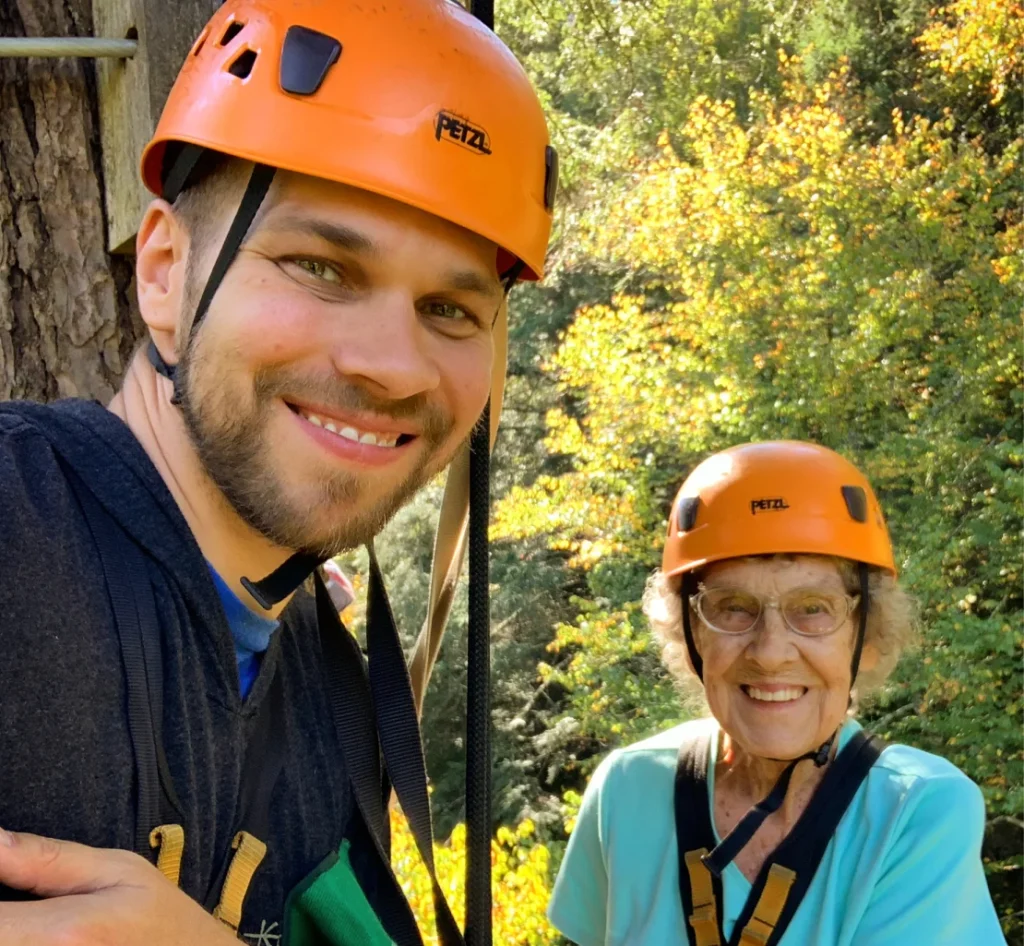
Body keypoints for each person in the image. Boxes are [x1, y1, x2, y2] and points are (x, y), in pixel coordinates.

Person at [0, 1, 554, 943]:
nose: (393, 363)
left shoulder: (333, 698)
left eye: (451, 310)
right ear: (167, 270)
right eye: (322, 267)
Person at [547, 441, 1005, 946]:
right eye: (732, 607)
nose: (769, 652)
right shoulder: (628, 788)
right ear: (690, 635)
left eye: (813, 608)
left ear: (867, 636)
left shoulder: (916, 810)